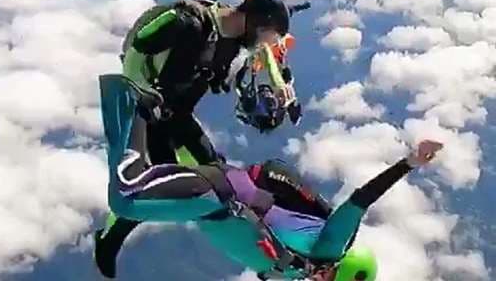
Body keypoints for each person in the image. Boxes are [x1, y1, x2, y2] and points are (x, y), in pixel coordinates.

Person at [99, 73, 443, 281]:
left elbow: (260, 256)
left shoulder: (293, 271)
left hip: (208, 208)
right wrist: (409, 163)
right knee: (127, 197)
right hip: (220, 193)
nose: (321, 279)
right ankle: (135, 105)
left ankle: (156, 115)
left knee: (142, 186)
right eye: (331, 277)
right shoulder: (330, 244)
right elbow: (361, 199)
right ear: (339, 265)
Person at [95, 0, 301, 277]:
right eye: (266, 34)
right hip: (150, 110)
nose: (262, 43)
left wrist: (274, 93)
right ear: (257, 22)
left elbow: (257, 59)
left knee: (219, 177)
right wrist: (139, 92)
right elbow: (139, 46)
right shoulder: (190, 22)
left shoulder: (231, 41)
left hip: (176, 113)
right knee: (161, 189)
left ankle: (268, 249)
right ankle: (108, 239)